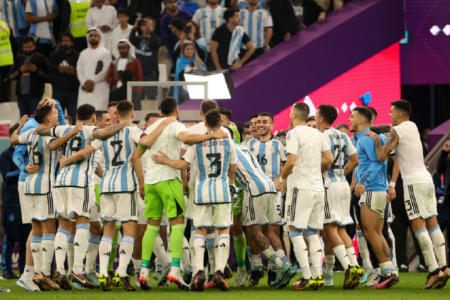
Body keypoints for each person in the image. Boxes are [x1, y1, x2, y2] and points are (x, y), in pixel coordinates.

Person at [58, 100, 160, 291]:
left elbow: (84, 152)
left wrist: (66, 161)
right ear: (132, 114)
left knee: (108, 231)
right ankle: (121, 273)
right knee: (129, 231)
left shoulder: (104, 134)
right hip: (125, 185)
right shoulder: (133, 130)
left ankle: (104, 273)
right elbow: (146, 142)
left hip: (106, 185)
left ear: (115, 115)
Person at [130, 97, 228, 291]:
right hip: (168, 178)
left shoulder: (151, 127)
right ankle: (175, 269)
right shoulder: (175, 124)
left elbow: (135, 156)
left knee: (152, 226)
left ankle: (143, 272)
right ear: (177, 111)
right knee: (177, 224)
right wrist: (211, 136)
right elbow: (185, 139)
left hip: (150, 181)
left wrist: (141, 183)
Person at [33, 103, 130, 288]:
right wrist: (125, 125)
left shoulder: (64, 128)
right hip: (80, 182)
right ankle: (77, 270)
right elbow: (102, 134)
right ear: (94, 118)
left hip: (60, 181)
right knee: (83, 222)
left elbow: (40, 129)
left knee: (63, 224)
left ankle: (60, 271)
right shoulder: (91, 129)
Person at [365, 100, 450, 289]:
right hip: (426, 180)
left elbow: (381, 156)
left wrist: (374, 137)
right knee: (433, 224)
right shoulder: (411, 125)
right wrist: (376, 127)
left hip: (412, 182)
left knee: (417, 224)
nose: (389, 114)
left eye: (391, 112)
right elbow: (389, 127)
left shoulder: (397, 131)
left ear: (399, 114)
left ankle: (434, 271)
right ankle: (444, 267)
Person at [152, 108, 239, 292]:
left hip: (201, 191)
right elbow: (233, 169)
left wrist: (166, 160)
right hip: (222, 190)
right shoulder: (228, 142)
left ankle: (199, 271)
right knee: (223, 229)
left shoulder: (196, 144)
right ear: (221, 124)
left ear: (205, 124)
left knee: (200, 230)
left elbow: (182, 165)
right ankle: (219, 272)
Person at [10, 104, 80, 290]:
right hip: (45, 185)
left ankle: (36, 273)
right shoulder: (47, 132)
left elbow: (13, 140)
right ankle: (44, 273)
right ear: (48, 118)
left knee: (36, 229)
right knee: (49, 228)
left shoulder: (31, 131)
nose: (58, 116)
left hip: (30, 185)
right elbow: (54, 145)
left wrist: (19, 126)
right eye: (56, 114)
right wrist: (72, 132)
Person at [274, 102, 333, 291]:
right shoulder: (317, 133)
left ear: (293, 115)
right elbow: (329, 159)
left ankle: (307, 276)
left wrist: (282, 179)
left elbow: (290, 161)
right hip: (318, 188)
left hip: (300, 187)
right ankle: (317, 275)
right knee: (312, 233)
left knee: (294, 231)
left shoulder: (294, 132)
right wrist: (312, 162)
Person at [315, 104, 362, 288]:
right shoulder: (343, 135)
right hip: (342, 183)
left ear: (320, 119)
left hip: (328, 185)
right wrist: (342, 172)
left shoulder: (321, 136)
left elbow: (325, 165)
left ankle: (349, 267)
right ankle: (350, 267)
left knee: (329, 229)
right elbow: (355, 160)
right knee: (340, 229)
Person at [348, 107, 395, 289]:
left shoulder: (368, 138)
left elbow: (378, 162)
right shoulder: (367, 138)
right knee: (376, 233)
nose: (350, 119)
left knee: (370, 233)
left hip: (372, 190)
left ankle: (385, 272)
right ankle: (388, 271)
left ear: (361, 121)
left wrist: (363, 182)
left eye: (352, 117)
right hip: (378, 190)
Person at [241, 112, 287, 285]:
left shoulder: (280, 143)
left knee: (272, 230)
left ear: (272, 125)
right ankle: (256, 269)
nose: (260, 125)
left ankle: (274, 269)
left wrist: (279, 182)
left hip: (273, 192)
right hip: (251, 192)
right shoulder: (246, 144)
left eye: (264, 122)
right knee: (253, 231)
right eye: (258, 122)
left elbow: (287, 165)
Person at [0, 124, 31, 280]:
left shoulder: (27, 153)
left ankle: (24, 270)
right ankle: (6, 270)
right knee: (10, 236)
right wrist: (24, 169)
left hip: (27, 199)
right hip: (12, 201)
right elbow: (6, 177)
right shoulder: (6, 155)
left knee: (26, 237)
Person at [10, 37, 50, 117]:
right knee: (24, 120)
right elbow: (11, 76)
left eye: (29, 47)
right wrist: (20, 70)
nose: (27, 49)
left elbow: (49, 76)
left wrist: (37, 70)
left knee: (35, 119)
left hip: (36, 96)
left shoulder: (41, 58)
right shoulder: (19, 59)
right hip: (21, 96)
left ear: (34, 46)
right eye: (25, 47)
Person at [76, 28, 112, 110]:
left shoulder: (105, 53)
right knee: (83, 112)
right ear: (88, 38)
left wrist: (92, 81)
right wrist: (85, 81)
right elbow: (79, 69)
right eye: (91, 36)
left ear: (100, 37)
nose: (93, 38)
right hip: (84, 87)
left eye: (96, 36)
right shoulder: (83, 53)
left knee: (98, 112)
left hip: (99, 87)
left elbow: (106, 70)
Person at [49, 32, 79, 124]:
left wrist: (61, 69)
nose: (66, 43)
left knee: (73, 117)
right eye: (64, 41)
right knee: (57, 117)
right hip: (58, 91)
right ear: (60, 42)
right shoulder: (54, 55)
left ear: (72, 43)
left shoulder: (77, 55)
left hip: (73, 92)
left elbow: (76, 72)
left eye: (68, 41)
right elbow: (54, 69)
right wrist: (70, 67)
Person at [129, 17, 161, 99]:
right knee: (138, 97)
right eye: (144, 24)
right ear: (141, 27)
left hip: (151, 74)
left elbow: (157, 43)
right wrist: (135, 27)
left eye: (149, 24)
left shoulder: (155, 39)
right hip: (139, 73)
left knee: (151, 97)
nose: (147, 26)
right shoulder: (138, 39)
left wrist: (152, 31)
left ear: (153, 28)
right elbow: (131, 39)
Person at [192, 0, 226, 69]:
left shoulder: (225, 11)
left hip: (221, 50)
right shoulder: (199, 12)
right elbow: (192, 27)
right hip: (204, 50)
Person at [0, 20, 17, 103]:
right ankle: (6, 101)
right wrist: (14, 59)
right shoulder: (5, 25)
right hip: (7, 60)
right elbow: (13, 43)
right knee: (6, 84)